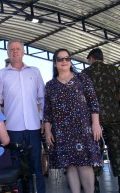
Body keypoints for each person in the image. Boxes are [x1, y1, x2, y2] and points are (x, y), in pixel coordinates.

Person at [43, 48, 102, 193]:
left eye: (67, 58)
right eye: (60, 59)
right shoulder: (50, 85)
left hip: (83, 129)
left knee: (85, 165)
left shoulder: (83, 79)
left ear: (70, 61)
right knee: (70, 165)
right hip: (62, 131)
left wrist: (96, 124)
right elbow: (47, 110)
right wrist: (48, 129)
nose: (64, 61)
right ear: (55, 63)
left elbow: (94, 103)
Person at [0, 40, 46, 193]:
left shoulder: (34, 71)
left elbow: (42, 98)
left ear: (23, 52)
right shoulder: (0, 74)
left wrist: (42, 119)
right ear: (8, 53)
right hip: (12, 128)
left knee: (36, 165)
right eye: (11, 49)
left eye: (18, 49)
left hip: (34, 127)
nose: (15, 51)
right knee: (15, 168)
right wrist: (0, 123)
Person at [82, 48, 120, 192]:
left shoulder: (85, 74)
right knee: (117, 150)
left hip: (93, 120)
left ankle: (95, 186)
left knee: (94, 151)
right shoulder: (114, 70)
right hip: (115, 117)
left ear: (91, 58)